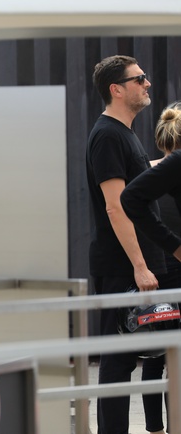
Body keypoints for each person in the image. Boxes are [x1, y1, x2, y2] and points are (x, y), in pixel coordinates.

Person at [85, 55, 165, 434]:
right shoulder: (107, 135)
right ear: (116, 89)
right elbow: (115, 206)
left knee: (136, 354)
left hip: (137, 263)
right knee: (118, 361)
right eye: (139, 79)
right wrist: (139, 265)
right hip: (123, 266)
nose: (147, 83)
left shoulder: (124, 134)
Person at [121, 102, 181, 434]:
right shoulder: (168, 172)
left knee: (157, 356)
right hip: (174, 268)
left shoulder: (150, 172)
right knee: (173, 358)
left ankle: (156, 429)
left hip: (159, 269)